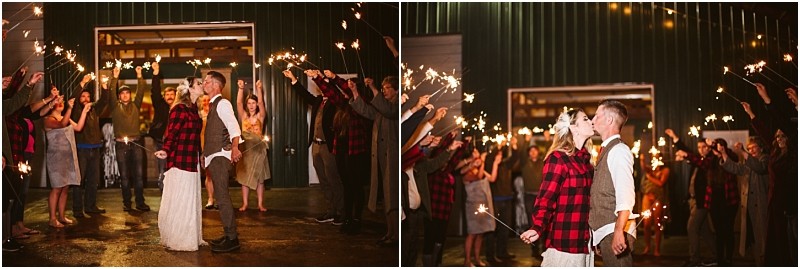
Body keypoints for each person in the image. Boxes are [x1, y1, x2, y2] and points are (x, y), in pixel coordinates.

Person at [520, 109, 595, 267]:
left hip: (584, 240)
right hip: (565, 241)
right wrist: (537, 227)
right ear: (573, 128)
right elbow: (546, 198)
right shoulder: (558, 158)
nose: (591, 121)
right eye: (586, 119)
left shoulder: (586, 162)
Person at [283, 69, 345, 225]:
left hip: (328, 147)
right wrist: (293, 79)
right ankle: (330, 210)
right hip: (315, 146)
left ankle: (341, 211)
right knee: (323, 180)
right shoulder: (318, 101)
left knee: (333, 179)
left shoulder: (336, 102)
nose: (320, 88)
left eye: (323, 85)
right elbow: (304, 95)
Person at [155, 76, 205, 251]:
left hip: (193, 159)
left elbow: (196, 136)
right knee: (181, 199)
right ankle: (179, 238)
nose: (202, 84)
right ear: (189, 89)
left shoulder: (194, 109)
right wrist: (166, 150)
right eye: (199, 83)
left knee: (191, 199)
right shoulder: (179, 109)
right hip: (180, 161)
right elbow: (172, 134)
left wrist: (201, 154)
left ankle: (191, 236)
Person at [350, 76, 400, 247]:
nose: (384, 90)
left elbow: (390, 111)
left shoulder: (397, 105)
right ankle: (390, 232)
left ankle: (396, 235)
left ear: (396, 90)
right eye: (383, 87)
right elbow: (367, 111)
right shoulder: (382, 106)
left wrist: (373, 88)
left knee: (392, 196)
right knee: (387, 196)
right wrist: (355, 91)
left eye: (387, 88)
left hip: (392, 159)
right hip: (381, 158)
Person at [589, 100, 636, 266]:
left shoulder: (619, 150)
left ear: (609, 120)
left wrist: (617, 231)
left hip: (614, 229)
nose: (593, 120)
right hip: (606, 231)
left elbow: (626, 195)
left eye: (597, 115)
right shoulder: (608, 149)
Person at [664, 128, 717, 266]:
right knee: (704, 231)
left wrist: (685, 156)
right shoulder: (699, 159)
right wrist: (675, 137)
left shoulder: (711, 160)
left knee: (692, 228)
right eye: (699, 147)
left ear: (709, 148)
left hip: (702, 202)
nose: (701, 149)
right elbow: (688, 151)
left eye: (704, 147)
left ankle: (695, 260)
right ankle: (718, 255)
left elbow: (690, 155)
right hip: (694, 201)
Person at [202, 71, 242, 253]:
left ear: (216, 85)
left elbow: (234, 127)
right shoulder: (212, 105)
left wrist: (235, 147)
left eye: (207, 81)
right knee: (220, 196)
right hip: (214, 155)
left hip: (220, 156)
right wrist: (205, 154)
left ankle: (232, 239)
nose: (204, 83)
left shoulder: (223, 103)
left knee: (223, 197)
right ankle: (228, 234)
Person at [3, 71, 42, 251]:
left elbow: (12, 104)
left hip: (8, 160)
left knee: (7, 199)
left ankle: (6, 237)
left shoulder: (4, 105)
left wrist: (30, 84)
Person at [718, 137, 768, 265]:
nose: (751, 150)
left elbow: (760, 168)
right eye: (749, 148)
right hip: (749, 208)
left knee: (763, 239)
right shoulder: (748, 162)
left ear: (761, 148)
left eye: (754, 147)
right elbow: (736, 168)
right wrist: (723, 153)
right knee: (753, 240)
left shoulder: (765, 159)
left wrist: (743, 152)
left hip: (761, 207)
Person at [44, 94, 91, 228]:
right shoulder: (48, 119)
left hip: (68, 156)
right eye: (58, 101)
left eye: (62, 101)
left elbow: (78, 128)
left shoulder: (65, 118)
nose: (61, 103)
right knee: (57, 188)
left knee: (65, 187)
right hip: (56, 158)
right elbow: (61, 124)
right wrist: (70, 108)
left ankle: (62, 216)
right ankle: (52, 218)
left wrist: (84, 111)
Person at [109, 66, 150, 212]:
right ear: (119, 96)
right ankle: (127, 203)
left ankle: (140, 202)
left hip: (136, 143)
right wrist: (115, 77)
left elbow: (141, 90)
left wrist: (139, 75)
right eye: (123, 93)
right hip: (121, 145)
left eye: (128, 93)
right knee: (125, 177)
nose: (125, 95)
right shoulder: (114, 106)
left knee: (139, 176)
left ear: (130, 95)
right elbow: (111, 93)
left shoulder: (136, 105)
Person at [70, 74, 111, 219]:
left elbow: (105, 100)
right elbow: (73, 99)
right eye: (83, 97)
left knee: (93, 180)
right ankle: (77, 209)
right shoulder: (76, 111)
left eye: (88, 96)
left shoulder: (94, 110)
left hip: (95, 148)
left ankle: (91, 206)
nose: (86, 99)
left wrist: (104, 85)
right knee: (79, 181)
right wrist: (82, 83)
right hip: (81, 149)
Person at [460, 147, 500, 267]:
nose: (478, 153)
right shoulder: (466, 171)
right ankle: (467, 260)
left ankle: (477, 259)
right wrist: (482, 162)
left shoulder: (478, 169)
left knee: (481, 233)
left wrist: (496, 163)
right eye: (475, 151)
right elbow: (478, 177)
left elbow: (492, 178)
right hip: (472, 206)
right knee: (472, 233)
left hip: (483, 206)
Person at [235, 79, 270, 212]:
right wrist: (240, 88)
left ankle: (260, 204)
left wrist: (259, 89)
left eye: (253, 103)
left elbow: (262, 102)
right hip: (246, 151)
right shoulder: (244, 117)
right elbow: (238, 102)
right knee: (245, 178)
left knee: (260, 179)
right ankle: (245, 204)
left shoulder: (261, 116)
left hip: (259, 150)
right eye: (249, 103)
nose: (251, 105)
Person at [148, 62, 176, 193]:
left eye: (172, 94)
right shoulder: (160, 105)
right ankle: (163, 190)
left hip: (175, 141)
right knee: (162, 168)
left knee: (175, 167)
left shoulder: (179, 108)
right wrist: (156, 73)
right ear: (164, 97)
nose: (170, 97)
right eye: (167, 95)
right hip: (161, 140)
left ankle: (174, 191)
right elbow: (155, 90)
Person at [516, 141, 544, 259]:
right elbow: (520, 153)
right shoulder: (524, 163)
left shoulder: (543, 162)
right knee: (532, 223)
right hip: (529, 196)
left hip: (541, 196)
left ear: (538, 152)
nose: (533, 152)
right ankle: (534, 250)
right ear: (528, 154)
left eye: (535, 150)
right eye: (530, 150)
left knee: (544, 221)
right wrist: (525, 141)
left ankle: (545, 249)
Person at [639, 152, 670, 257]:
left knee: (657, 223)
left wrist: (650, 177)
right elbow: (643, 167)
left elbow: (661, 183)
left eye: (657, 158)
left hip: (658, 198)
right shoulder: (650, 169)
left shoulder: (665, 170)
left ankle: (657, 249)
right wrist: (642, 159)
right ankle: (647, 247)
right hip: (647, 196)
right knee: (646, 223)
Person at [198, 94, 217, 210]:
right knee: (209, 174)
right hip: (204, 147)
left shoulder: (215, 112)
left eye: (208, 100)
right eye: (204, 100)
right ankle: (210, 199)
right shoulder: (199, 115)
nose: (206, 102)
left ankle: (220, 198)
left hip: (216, 146)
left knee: (218, 174)